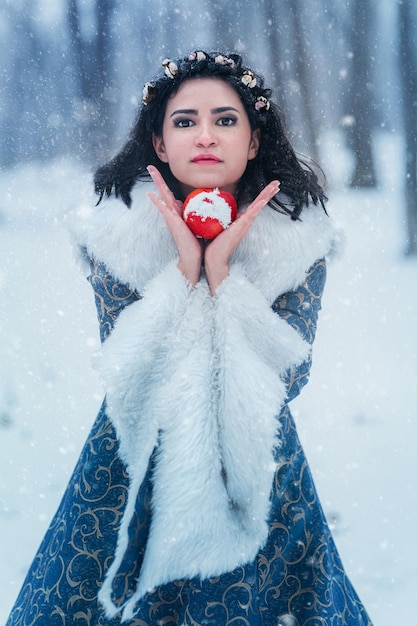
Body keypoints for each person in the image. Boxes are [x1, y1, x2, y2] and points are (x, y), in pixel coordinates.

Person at [6, 50, 373, 626]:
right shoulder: (120, 232)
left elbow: (288, 377)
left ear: (254, 140)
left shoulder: (295, 238)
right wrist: (182, 273)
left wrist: (224, 279)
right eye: (185, 121)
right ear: (158, 142)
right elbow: (131, 376)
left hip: (260, 469)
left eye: (226, 119)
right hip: (131, 461)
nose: (206, 135)